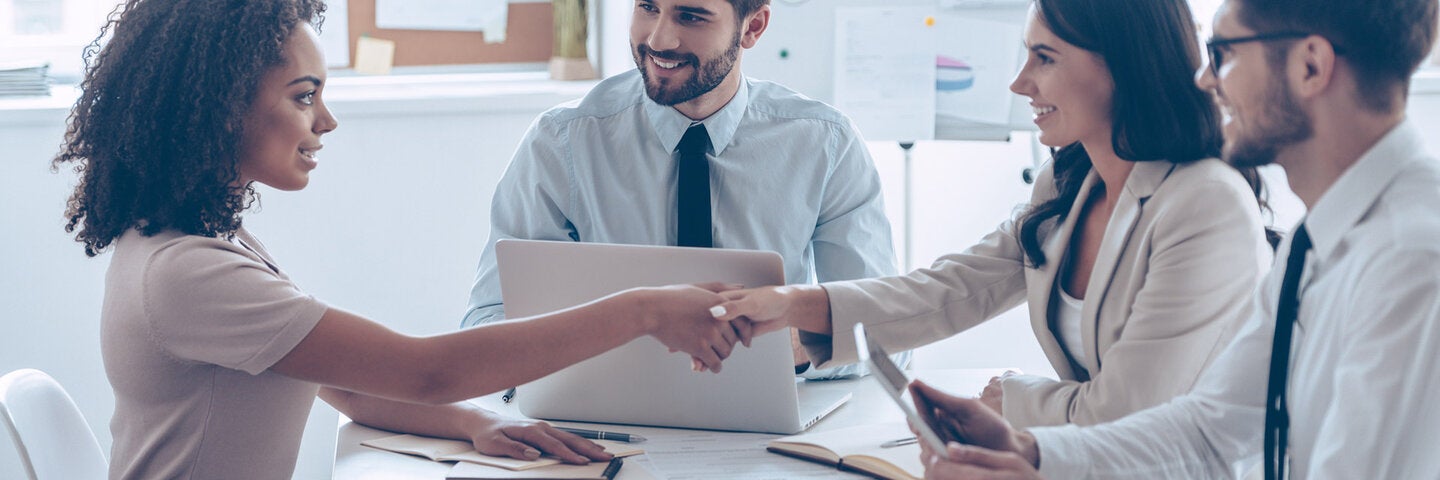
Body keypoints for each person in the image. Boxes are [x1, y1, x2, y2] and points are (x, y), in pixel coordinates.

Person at [53, 1, 745, 478]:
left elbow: (342, 383)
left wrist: (472, 424)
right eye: (302, 96)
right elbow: (425, 370)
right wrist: (645, 311)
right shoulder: (189, 274)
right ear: (218, 106)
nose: (325, 121)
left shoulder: (205, 241)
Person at [906, 0, 1440, 478]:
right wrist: (1033, 455)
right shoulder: (1320, 237)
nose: (1205, 79)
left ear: (1310, 66)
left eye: (1224, 53)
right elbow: (1210, 430)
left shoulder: (1411, 259)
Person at [711, 0, 1274, 429]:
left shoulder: (1207, 203)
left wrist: (1015, 401)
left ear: (1124, 66)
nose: (1020, 82)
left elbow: (1132, 410)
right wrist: (794, 306)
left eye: (1044, 58)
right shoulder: (1069, 181)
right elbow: (953, 288)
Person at [461, 0, 902, 379]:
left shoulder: (826, 143)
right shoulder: (562, 141)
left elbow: (888, 332)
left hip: (766, 424)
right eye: (647, 7)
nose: (659, 39)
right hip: (606, 422)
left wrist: (793, 347)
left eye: (691, 16)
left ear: (752, 27)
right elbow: (488, 319)